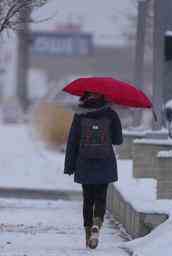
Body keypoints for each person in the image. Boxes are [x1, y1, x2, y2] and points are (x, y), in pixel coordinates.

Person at [64, 91, 123, 249]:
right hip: (105, 162)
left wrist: (69, 166)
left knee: (88, 200)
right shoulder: (110, 113)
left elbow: (72, 142)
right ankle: (97, 224)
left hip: (85, 162)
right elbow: (118, 140)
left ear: (84, 96)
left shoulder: (80, 115)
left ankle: (88, 233)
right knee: (101, 198)